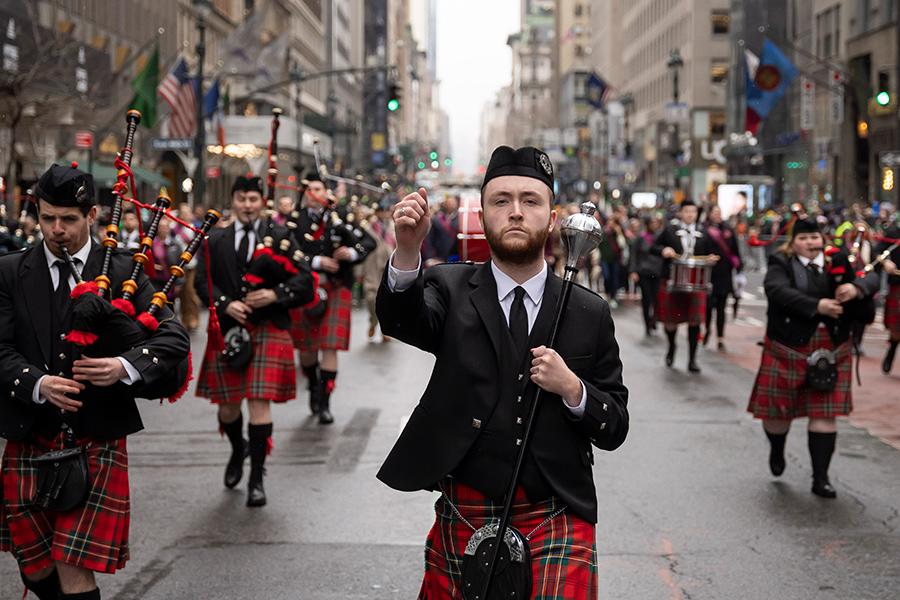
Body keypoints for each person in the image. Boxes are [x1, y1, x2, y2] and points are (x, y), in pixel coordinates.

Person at [376, 146, 629, 597]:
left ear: (552, 219)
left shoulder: (589, 312)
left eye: (530, 201)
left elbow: (615, 426)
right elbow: (401, 320)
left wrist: (573, 389)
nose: (515, 212)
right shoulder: (449, 287)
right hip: (466, 506)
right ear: (482, 216)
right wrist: (408, 248)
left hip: (555, 511)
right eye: (501, 200)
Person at [0, 163, 190, 600]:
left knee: (73, 567)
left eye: (68, 219)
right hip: (30, 435)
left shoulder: (125, 271)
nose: (57, 230)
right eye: (48, 218)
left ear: (91, 215)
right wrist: (37, 384)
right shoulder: (10, 272)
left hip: (96, 439)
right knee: (35, 569)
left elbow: (173, 338)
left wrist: (122, 366)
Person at [195, 175, 315, 507]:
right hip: (229, 329)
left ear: (262, 202)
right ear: (233, 200)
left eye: (253, 199)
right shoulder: (215, 239)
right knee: (228, 408)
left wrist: (276, 294)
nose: (247, 205)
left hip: (268, 326)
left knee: (259, 403)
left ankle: (256, 479)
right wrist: (224, 304)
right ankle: (238, 450)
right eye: (242, 199)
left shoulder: (281, 236)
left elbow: (306, 281)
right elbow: (202, 284)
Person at [747, 219, 879, 498]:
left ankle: (821, 479)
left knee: (824, 415)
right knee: (777, 417)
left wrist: (856, 289)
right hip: (788, 347)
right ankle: (777, 448)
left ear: (823, 239)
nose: (810, 242)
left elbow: (870, 277)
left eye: (814, 237)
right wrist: (817, 306)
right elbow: (776, 290)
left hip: (832, 349)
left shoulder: (838, 259)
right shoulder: (781, 262)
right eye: (803, 238)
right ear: (793, 242)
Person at [289, 171, 376, 425]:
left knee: (330, 346)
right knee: (306, 350)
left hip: (337, 287)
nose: (314, 194)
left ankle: (325, 403)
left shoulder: (341, 217)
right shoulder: (295, 220)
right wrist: (316, 261)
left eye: (318, 189)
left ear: (326, 193)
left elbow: (368, 242)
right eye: (309, 190)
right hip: (306, 288)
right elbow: (287, 254)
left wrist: (351, 253)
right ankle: (314, 384)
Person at [652, 200, 719, 372]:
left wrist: (712, 258)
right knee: (670, 322)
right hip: (671, 280)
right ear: (680, 213)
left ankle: (692, 359)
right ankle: (671, 346)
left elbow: (713, 252)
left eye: (693, 212)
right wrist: (663, 250)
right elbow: (654, 246)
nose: (690, 214)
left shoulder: (703, 232)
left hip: (696, 284)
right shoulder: (670, 230)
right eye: (687, 211)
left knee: (695, 322)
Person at [703, 205, 742, 351]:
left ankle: (720, 337)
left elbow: (735, 250)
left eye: (719, 212)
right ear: (709, 214)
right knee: (708, 306)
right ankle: (707, 329)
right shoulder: (704, 229)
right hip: (709, 273)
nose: (717, 215)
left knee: (721, 307)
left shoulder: (727, 229)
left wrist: (739, 267)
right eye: (714, 212)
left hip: (725, 273)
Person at [361, 199, 396, 340]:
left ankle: (385, 329)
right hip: (372, 265)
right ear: (376, 212)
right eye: (381, 210)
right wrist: (359, 271)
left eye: (386, 210)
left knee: (387, 299)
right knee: (371, 298)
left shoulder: (394, 227)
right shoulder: (369, 227)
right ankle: (373, 320)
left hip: (388, 265)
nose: (384, 213)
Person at [629, 214, 664, 336]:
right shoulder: (641, 237)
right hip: (644, 272)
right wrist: (633, 271)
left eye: (656, 222)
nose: (654, 225)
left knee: (657, 299)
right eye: (652, 222)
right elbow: (634, 254)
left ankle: (654, 320)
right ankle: (647, 324)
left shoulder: (660, 237)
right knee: (646, 299)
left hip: (657, 272)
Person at [877, 218, 900, 373]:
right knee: (896, 327)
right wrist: (886, 262)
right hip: (898, 285)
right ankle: (892, 347)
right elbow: (877, 252)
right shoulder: (893, 233)